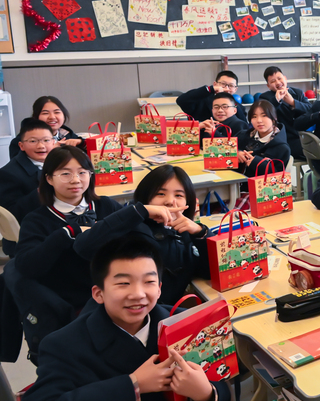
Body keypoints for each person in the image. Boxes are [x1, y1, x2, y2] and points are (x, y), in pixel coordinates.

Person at [19, 233, 320, 401]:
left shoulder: (182, 323)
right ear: (98, 293)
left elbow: (218, 388)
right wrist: (133, 384)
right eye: (123, 283)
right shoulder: (64, 344)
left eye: (148, 282)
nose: (138, 294)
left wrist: (204, 394)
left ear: (160, 287)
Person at [12, 147, 122, 350]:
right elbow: (26, 266)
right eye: (65, 173)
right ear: (49, 179)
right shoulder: (37, 220)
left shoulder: (107, 207)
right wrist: (66, 233)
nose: (75, 180)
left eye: (82, 172)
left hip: (117, 297)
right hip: (72, 308)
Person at [71, 165, 209, 305]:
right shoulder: (130, 227)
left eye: (179, 195)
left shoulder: (187, 232)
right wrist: (139, 211)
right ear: (146, 196)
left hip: (164, 314)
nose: (169, 201)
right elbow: (83, 246)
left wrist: (201, 233)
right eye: (160, 194)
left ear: (188, 202)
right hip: (127, 311)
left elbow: (211, 273)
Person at [0, 120, 56, 240]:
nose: (41, 146)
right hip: (31, 234)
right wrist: (40, 192)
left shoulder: (59, 163)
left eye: (46, 140)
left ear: (53, 142)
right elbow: (11, 215)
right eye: (33, 141)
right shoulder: (8, 173)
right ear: (21, 146)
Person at [259, 66, 312, 158]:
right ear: (268, 86)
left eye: (280, 78)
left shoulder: (298, 93)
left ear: (285, 78)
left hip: (304, 135)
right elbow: (264, 113)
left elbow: (310, 110)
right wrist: (276, 100)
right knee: (313, 153)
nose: (278, 83)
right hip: (284, 139)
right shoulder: (265, 98)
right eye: (273, 81)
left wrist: (293, 103)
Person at [10, 96, 81, 158]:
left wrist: (81, 142)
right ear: (36, 117)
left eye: (57, 112)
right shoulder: (20, 141)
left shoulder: (67, 134)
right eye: (45, 113)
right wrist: (49, 152)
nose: (52, 117)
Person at [236, 100, 290, 178]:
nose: (259, 120)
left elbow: (278, 177)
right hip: (236, 184)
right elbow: (226, 151)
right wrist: (236, 153)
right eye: (254, 117)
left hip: (261, 189)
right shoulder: (243, 135)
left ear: (274, 118)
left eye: (264, 115)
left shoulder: (281, 147)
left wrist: (256, 162)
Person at [176, 70, 240, 123]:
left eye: (231, 85)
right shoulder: (201, 100)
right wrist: (210, 89)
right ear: (215, 84)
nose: (226, 88)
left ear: (235, 89)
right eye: (223, 84)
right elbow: (181, 100)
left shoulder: (238, 106)